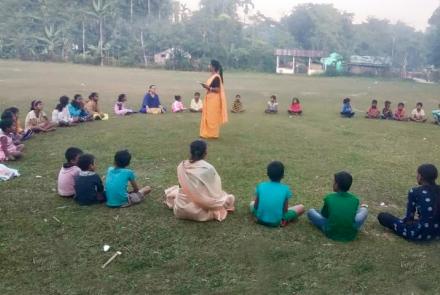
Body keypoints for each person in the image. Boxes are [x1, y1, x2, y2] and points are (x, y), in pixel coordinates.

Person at [164, 140, 235, 222]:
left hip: (180, 208)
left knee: (177, 191)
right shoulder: (208, 168)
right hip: (199, 212)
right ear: (205, 153)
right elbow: (214, 191)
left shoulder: (181, 166)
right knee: (229, 198)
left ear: (191, 152)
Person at [378, 164, 440, 241]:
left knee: (383, 216)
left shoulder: (415, 192)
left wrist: (408, 222)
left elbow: (409, 218)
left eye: (417, 174)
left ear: (420, 176)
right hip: (437, 232)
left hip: (420, 234)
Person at [307, 171, 368, 242]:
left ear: (336, 185)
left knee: (311, 211)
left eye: (334, 182)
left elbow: (324, 215)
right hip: (350, 231)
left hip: (331, 230)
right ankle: (360, 209)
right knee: (364, 210)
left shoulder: (329, 198)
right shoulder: (355, 199)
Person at [250, 161, 305, 227]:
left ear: (267, 174)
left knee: (252, 203)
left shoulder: (261, 186)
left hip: (259, 219)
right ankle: (284, 221)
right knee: (301, 207)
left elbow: (256, 206)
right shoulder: (285, 189)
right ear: (283, 175)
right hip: (277, 222)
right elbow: (285, 211)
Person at [199, 60, 228, 139]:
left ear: (213, 67)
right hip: (210, 98)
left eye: (210, 65)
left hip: (214, 100)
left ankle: (213, 134)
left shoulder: (216, 77)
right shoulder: (212, 76)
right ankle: (206, 133)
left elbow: (218, 89)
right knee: (208, 116)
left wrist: (208, 88)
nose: (209, 66)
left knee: (212, 117)